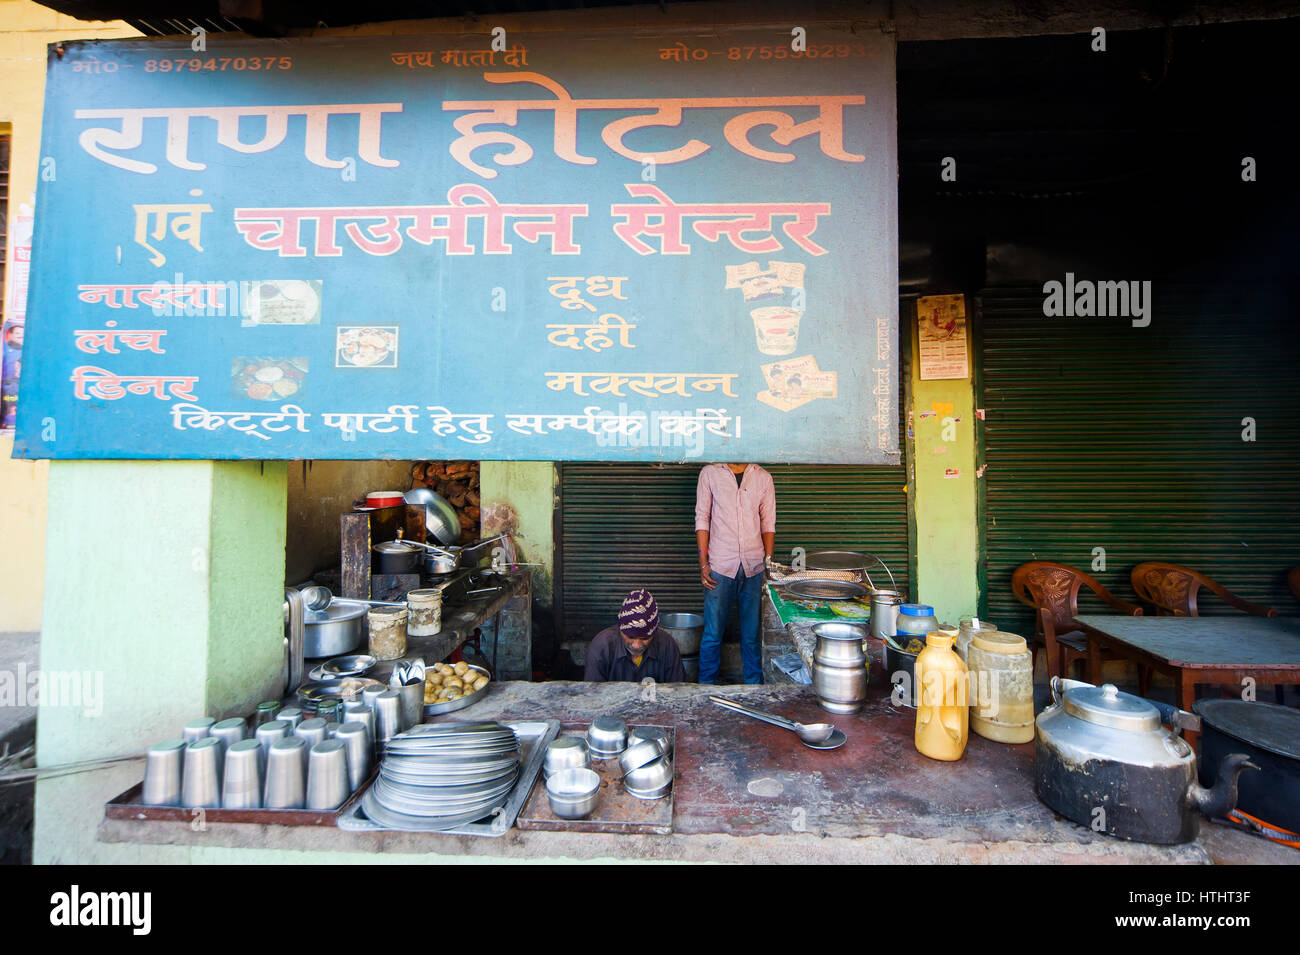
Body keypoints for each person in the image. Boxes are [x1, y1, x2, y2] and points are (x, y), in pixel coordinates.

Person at [695, 462, 775, 684]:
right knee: (712, 634)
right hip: (719, 566)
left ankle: (754, 688)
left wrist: (768, 565)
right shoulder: (710, 473)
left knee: (751, 636)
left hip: (754, 567)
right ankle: (705, 689)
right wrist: (704, 563)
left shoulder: (763, 477)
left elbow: (768, 523)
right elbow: (702, 518)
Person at [584, 588, 686, 683]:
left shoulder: (668, 646)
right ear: (621, 629)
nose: (637, 645)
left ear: (654, 633)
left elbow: (677, 692)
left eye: (645, 638)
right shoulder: (601, 647)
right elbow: (593, 695)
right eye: (631, 637)